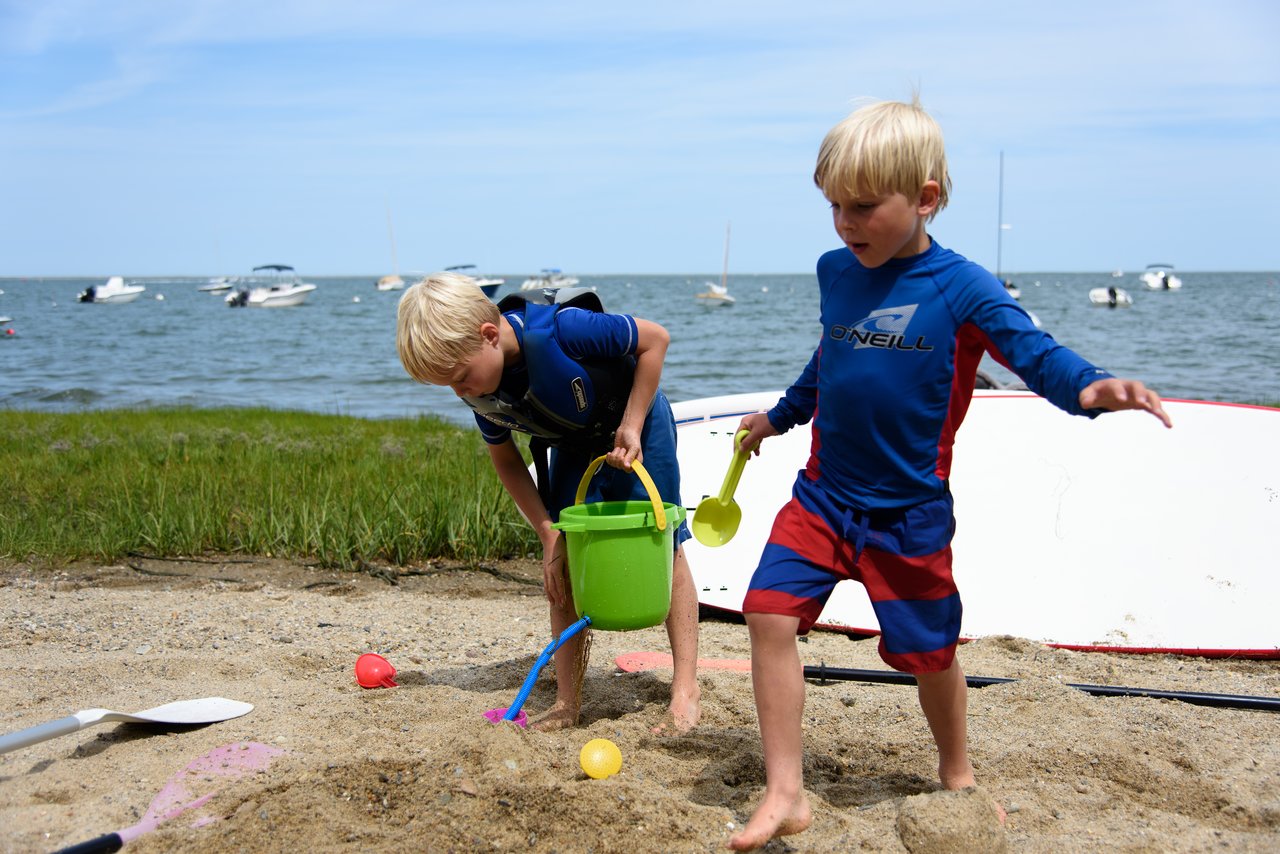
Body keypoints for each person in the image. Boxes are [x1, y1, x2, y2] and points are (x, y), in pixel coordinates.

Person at [727, 98, 1172, 851]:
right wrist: (780, 415)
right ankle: (785, 793)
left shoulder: (960, 286)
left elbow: (1032, 350)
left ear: (925, 198)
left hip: (908, 514)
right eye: (833, 205)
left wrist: (1091, 388)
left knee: (930, 656)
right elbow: (832, 356)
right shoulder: (836, 271)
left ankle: (957, 773)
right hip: (823, 495)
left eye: (863, 207)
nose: (844, 223)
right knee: (767, 613)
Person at [396, 272, 700, 734]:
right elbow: (506, 458)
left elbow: (655, 340)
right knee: (563, 562)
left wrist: (632, 425)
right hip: (572, 441)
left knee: (665, 542)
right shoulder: (481, 386)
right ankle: (566, 700)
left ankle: (685, 688)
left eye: (460, 378)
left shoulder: (566, 329)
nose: (462, 393)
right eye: (448, 387)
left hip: (636, 419)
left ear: (490, 335)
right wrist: (547, 531)